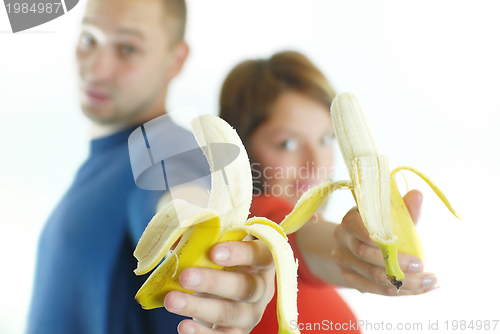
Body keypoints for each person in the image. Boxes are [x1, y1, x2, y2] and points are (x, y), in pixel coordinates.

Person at [26, 0, 275, 333]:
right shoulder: (105, 161)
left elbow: (180, 195)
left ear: (176, 59)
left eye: (128, 48)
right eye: (89, 39)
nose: (98, 68)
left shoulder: (163, 143)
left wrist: (198, 237)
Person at [219, 51, 437, 333]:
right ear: (241, 150)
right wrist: (346, 246)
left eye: (326, 139)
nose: (316, 164)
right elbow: (294, 236)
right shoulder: (253, 230)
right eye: (287, 144)